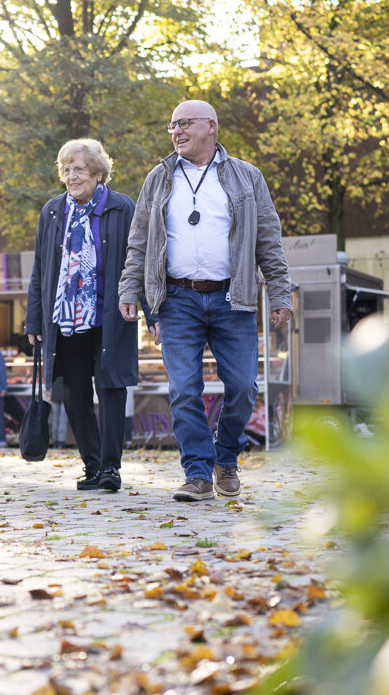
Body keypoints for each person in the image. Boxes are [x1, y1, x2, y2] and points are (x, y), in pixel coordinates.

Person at [119, 100, 293, 502]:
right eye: (172, 125)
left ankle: (226, 458)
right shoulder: (159, 178)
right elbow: (139, 242)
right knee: (183, 389)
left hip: (234, 299)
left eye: (185, 124)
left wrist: (280, 291)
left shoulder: (247, 177)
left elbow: (268, 238)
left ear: (211, 127)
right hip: (177, 299)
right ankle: (196, 473)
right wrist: (130, 289)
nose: (177, 131)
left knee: (243, 388)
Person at [25, 138, 141, 492]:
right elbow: (41, 268)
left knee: (110, 389)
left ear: (97, 172)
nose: (71, 176)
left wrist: (148, 307)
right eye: (65, 169)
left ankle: (111, 468)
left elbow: (139, 258)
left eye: (78, 169)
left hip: (109, 316)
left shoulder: (122, 208)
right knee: (74, 394)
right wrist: (34, 319)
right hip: (65, 321)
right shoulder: (52, 211)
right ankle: (92, 466)